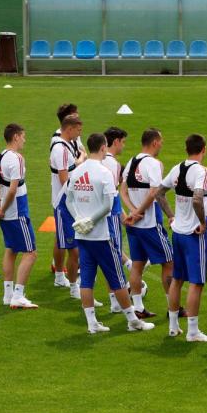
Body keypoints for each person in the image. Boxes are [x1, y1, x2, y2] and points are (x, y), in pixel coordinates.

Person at [65, 133, 154, 334]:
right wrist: (90, 221)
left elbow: (68, 199)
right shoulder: (104, 172)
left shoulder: (78, 171)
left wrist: (79, 219)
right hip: (101, 236)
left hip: (83, 236)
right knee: (117, 280)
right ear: (104, 147)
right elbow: (108, 205)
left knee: (86, 279)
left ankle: (92, 323)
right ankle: (133, 320)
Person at [158, 134, 207, 342]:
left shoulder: (176, 168)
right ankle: (193, 331)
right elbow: (198, 198)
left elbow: (159, 193)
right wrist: (202, 222)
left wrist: (171, 215)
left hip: (178, 232)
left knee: (178, 279)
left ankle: (173, 327)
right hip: (194, 234)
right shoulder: (203, 172)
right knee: (196, 282)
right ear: (204, 149)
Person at [121, 128, 173, 319]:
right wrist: (140, 211)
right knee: (169, 263)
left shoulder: (132, 161)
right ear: (154, 142)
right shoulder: (152, 164)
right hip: (150, 224)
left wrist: (132, 211)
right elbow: (154, 192)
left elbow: (123, 191)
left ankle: (138, 307)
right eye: (161, 141)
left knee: (137, 265)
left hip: (134, 226)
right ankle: (172, 306)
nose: (161, 145)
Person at [0, 123, 38, 308]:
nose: (24, 140)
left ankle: (8, 294)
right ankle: (18, 295)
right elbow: (12, 190)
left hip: (5, 214)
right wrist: (3, 208)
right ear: (16, 137)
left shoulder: (0, 157)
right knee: (31, 253)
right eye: (23, 136)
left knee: (11, 250)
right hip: (17, 212)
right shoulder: (16, 159)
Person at [50, 114, 87, 300]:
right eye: (78, 130)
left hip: (68, 203)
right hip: (65, 204)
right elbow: (64, 179)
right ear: (69, 128)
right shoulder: (60, 149)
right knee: (75, 248)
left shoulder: (65, 146)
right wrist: (80, 164)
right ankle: (74, 287)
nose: (80, 134)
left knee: (65, 241)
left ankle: (62, 278)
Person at [101, 126, 133, 312]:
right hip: (110, 217)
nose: (123, 145)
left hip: (98, 215)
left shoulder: (98, 160)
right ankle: (121, 305)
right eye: (123, 142)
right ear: (116, 142)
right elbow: (112, 196)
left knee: (107, 258)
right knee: (113, 257)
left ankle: (114, 301)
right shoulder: (113, 164)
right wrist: (122, 217)